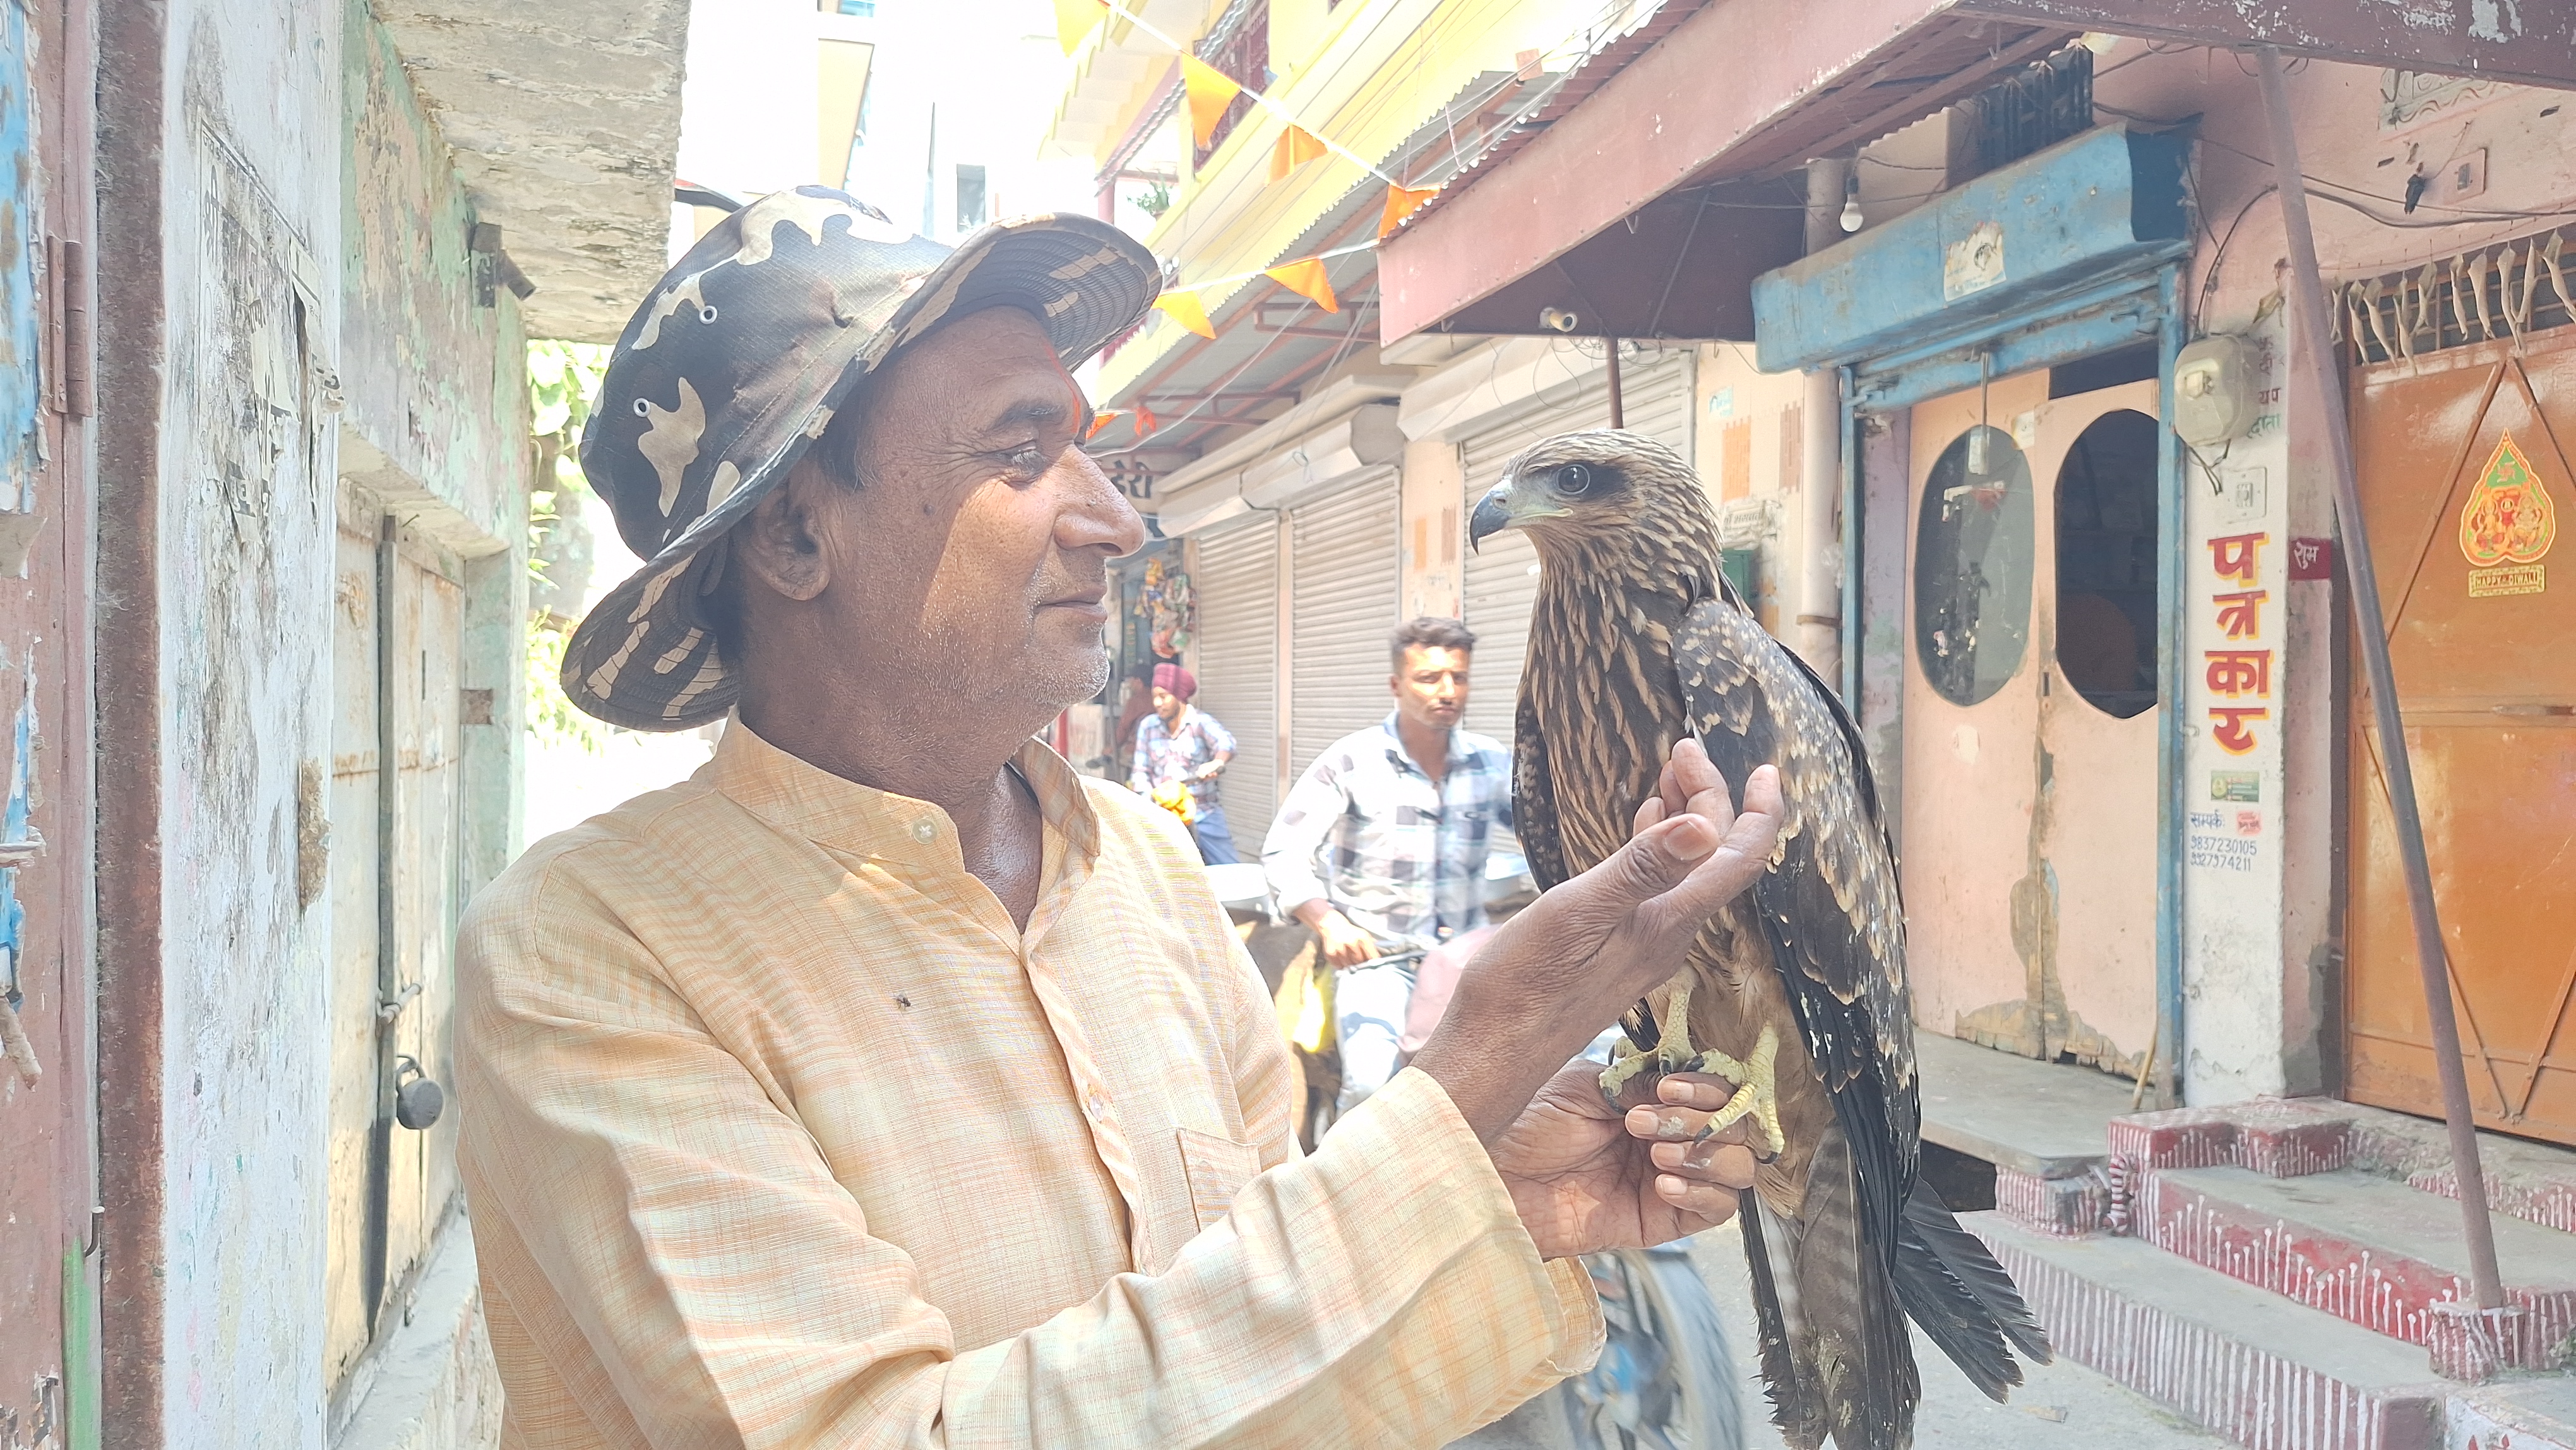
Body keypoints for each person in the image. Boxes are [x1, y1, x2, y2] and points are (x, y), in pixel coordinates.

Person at [455, 188, 1783, 1449]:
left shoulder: (1144, 872)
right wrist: (1462, 1074)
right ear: (799, 536)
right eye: (1024, 453)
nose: (1115, 517)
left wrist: (1484, 1193)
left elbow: (1253, 1341)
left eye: (1089, 448)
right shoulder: (592, 953)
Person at [1263, 617, 1517, 1113]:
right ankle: (1352, 1187)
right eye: (1429, 678)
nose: (1446, 691)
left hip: (1468, 964)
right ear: (1397, 685)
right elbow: (1284, 850)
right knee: (1372, 1089)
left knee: (1488, 1094)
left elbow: (1553, 834)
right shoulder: (1352, 761)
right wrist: (1328, 921)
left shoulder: (1492, 763)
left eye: (1458, 678)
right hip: (1377, 963)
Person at [1126, 661, 1239, 863]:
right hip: (1163, 815)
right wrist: (1148, 802)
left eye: (1164, 696)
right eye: (1155, 697)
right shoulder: (1148, 726)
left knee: (1229, 869)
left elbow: (1227, 743)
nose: (1158, 703)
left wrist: (1216, 763)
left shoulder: (1201, 723)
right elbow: (1141, 771)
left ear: (1179, 696)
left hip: (1203, 811)